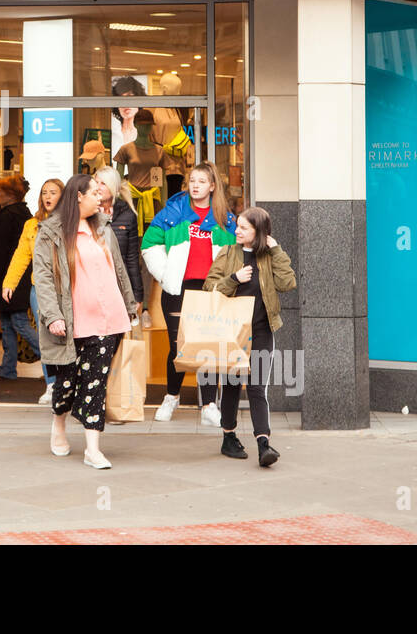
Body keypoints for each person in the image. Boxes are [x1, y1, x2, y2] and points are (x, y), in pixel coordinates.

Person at [34, 174, 138, 470]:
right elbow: (42, 277)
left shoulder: (102, 227)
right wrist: (52, 315)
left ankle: (93, 449)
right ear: (78, 196)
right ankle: (59, 423)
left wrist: (130, 305)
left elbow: (117, 268)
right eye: (94, 192)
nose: (100, 196)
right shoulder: (50, 231)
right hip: (71, 321)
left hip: (108, 318)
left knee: (96, 383)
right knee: (66, 382)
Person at [140, 162, 236, 424]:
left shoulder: (224, 218)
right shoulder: (173, 211)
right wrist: (167, 273)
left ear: (212, 186)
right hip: (177, 289)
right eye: (192, 181)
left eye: (202, 181)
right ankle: (172, 397)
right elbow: (149, 244)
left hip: (210, 290)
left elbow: (233, 256)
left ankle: (208, 406)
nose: (195, 186)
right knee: (178, 347)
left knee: (207, 347)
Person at [203, 207, 296, 467]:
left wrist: (276, 250)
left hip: (262, 329)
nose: (237, 231)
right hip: (233, 331)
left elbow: (288, 283)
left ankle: (263, 443)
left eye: (244, 228)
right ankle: (228, 436)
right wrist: (234, 278)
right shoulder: (228, 252)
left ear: (259, 232)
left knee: (257, 387)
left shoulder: (268, 257)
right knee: (232, 384)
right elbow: (209, 286)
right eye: (238, 226)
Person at [2, 177, 65, 404]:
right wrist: (9, 283)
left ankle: (67, 382)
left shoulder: (70, 222)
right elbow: (21, 255)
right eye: (45, 192)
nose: (48, 197)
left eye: (53, 192)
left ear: (62, 196)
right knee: (46, 338)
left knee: (68, 338)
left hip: (65, 290)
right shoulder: (32, 225)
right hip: (39, 290)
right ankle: (51, 384)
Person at [0, 175, 35, 381]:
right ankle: (7, 369)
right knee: (10, 322)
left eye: (1, 191)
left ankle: (54, 359)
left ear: (11, 195)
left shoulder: (7, 216)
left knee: (18, 322)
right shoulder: (24, 213)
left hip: (10, 278)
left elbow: (0, 251)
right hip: (20, 276)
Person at [93, 167, 144, 320]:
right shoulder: (87, 213)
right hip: (92, 285)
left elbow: (132, 258)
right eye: (96, 182)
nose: (98, 187)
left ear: (113, 188)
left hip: (118, 285)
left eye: (103, 183)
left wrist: (137, 294)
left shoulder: (127, 215)